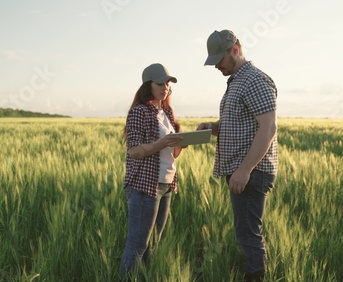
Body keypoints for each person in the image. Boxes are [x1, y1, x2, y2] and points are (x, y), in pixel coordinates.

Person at [197, 30, 278, 282]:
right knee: (245, 232)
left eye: (218, 60)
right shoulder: (238, 81)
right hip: (243, 170)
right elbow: (241, 123)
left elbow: (268, 127)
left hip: (250, 172)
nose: (216, 66)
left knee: (248, 234)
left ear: (235, 49)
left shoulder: (253, 79)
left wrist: (244, 169)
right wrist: (214, 127)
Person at [119, 63, 185, 279]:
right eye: (160, 83)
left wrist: (180, 144)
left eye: (167, 83)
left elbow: (172, 154)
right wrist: (162, 142)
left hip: (166, 185)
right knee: (137, 247)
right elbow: (135, 151)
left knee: (153, 245)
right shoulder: (140, 112)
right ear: (148, 85)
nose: (165, 87)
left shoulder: (167, 112)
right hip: (144, 186)